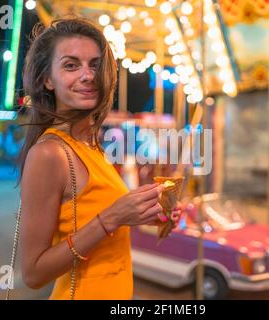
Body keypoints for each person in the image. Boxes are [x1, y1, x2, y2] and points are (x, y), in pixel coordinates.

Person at [18, 18, 181, 300]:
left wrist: (142, 214)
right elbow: (33, 273)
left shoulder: (91, 145)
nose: (88, 75)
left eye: (95, 64)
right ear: (47, 79)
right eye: (71, 65)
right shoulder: (49, 153)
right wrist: (112, 217)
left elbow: (91, 220)